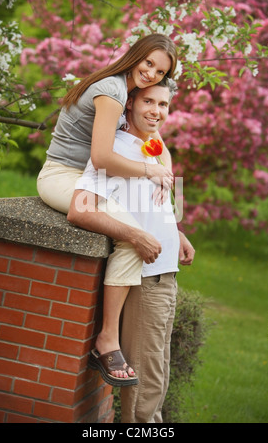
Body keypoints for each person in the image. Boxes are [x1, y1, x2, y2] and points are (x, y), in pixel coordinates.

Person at [38, 34, 180, 377]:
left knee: (138, 220)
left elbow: (155, 138)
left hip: (90, 175)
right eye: (148, 63)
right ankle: (107, 340)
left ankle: (108, 337)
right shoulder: (113, 91)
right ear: (136, 56)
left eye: (160, 72)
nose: (151, 74)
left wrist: (165, 170)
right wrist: (151, 169)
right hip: (63, 177)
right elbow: (102, 157)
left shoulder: (128, 90)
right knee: (133, 237)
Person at [67, 79, 195, 395]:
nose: (156, 111)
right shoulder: (116, 152)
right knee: (146, 388)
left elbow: (161, 195)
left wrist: (176, 231)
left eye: (163, 104)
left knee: (159, 373)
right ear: (129, 104)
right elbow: (80, 210)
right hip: (145, 278)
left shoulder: (152, 148)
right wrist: (136, 237)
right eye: (148, 102)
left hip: (167, 275)